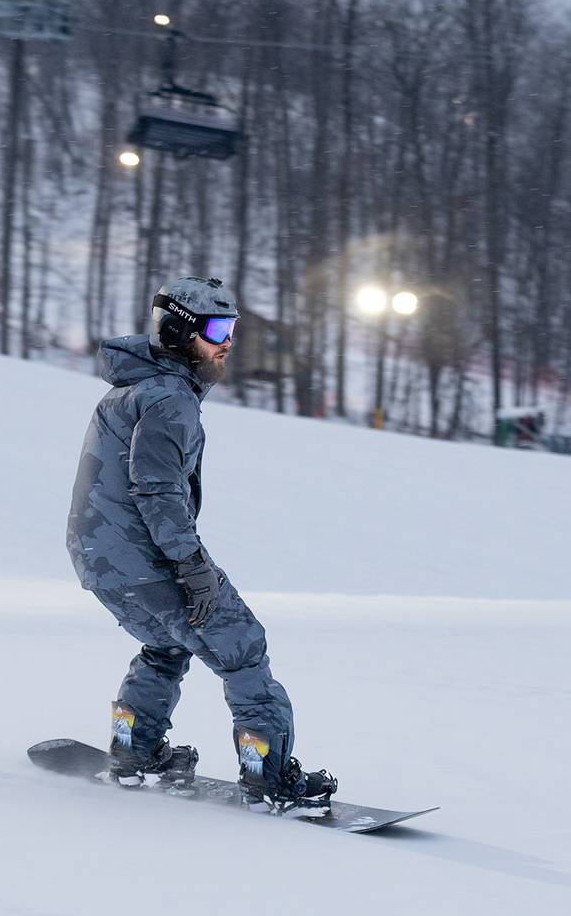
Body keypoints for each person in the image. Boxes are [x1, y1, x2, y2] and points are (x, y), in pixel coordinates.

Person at [66, 275, 337, 811]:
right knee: (242, 650)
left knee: (167, 645)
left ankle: (132, 751)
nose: (228, 340)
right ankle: (268, 778)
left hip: (100, 557)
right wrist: (192, 567)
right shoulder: (168, 398)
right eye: (216, 328)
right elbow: (158, 491)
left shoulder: (132, 388)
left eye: (232, 327)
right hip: (145, 556)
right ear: (178, 331)